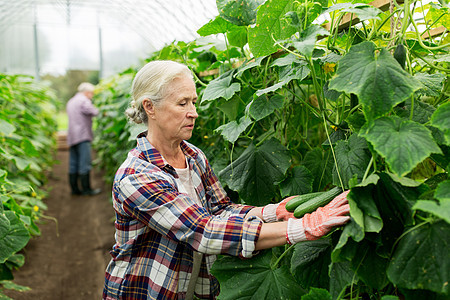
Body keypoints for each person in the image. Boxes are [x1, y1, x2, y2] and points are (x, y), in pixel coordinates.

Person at [103, 60, 350, 300]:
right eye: (182, 103)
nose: (194, 113)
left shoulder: (193, 155)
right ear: (150, 107)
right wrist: (301, 228)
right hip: (145, 291)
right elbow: (204, 230)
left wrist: (273, 211)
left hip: (189, 287)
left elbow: (220, 210)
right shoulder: (136, 177)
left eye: (194, 102)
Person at [66, 82, 102, 196]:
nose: (92, 96)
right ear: (87, 92)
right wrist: (102, 112)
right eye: (91, 93)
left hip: (72, 136)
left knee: (73, 163)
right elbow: (94, 111)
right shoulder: (83, 100)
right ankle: (87, 190)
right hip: (82, 135)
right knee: (85, 163)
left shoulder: (71, 101)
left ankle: (74, 189)